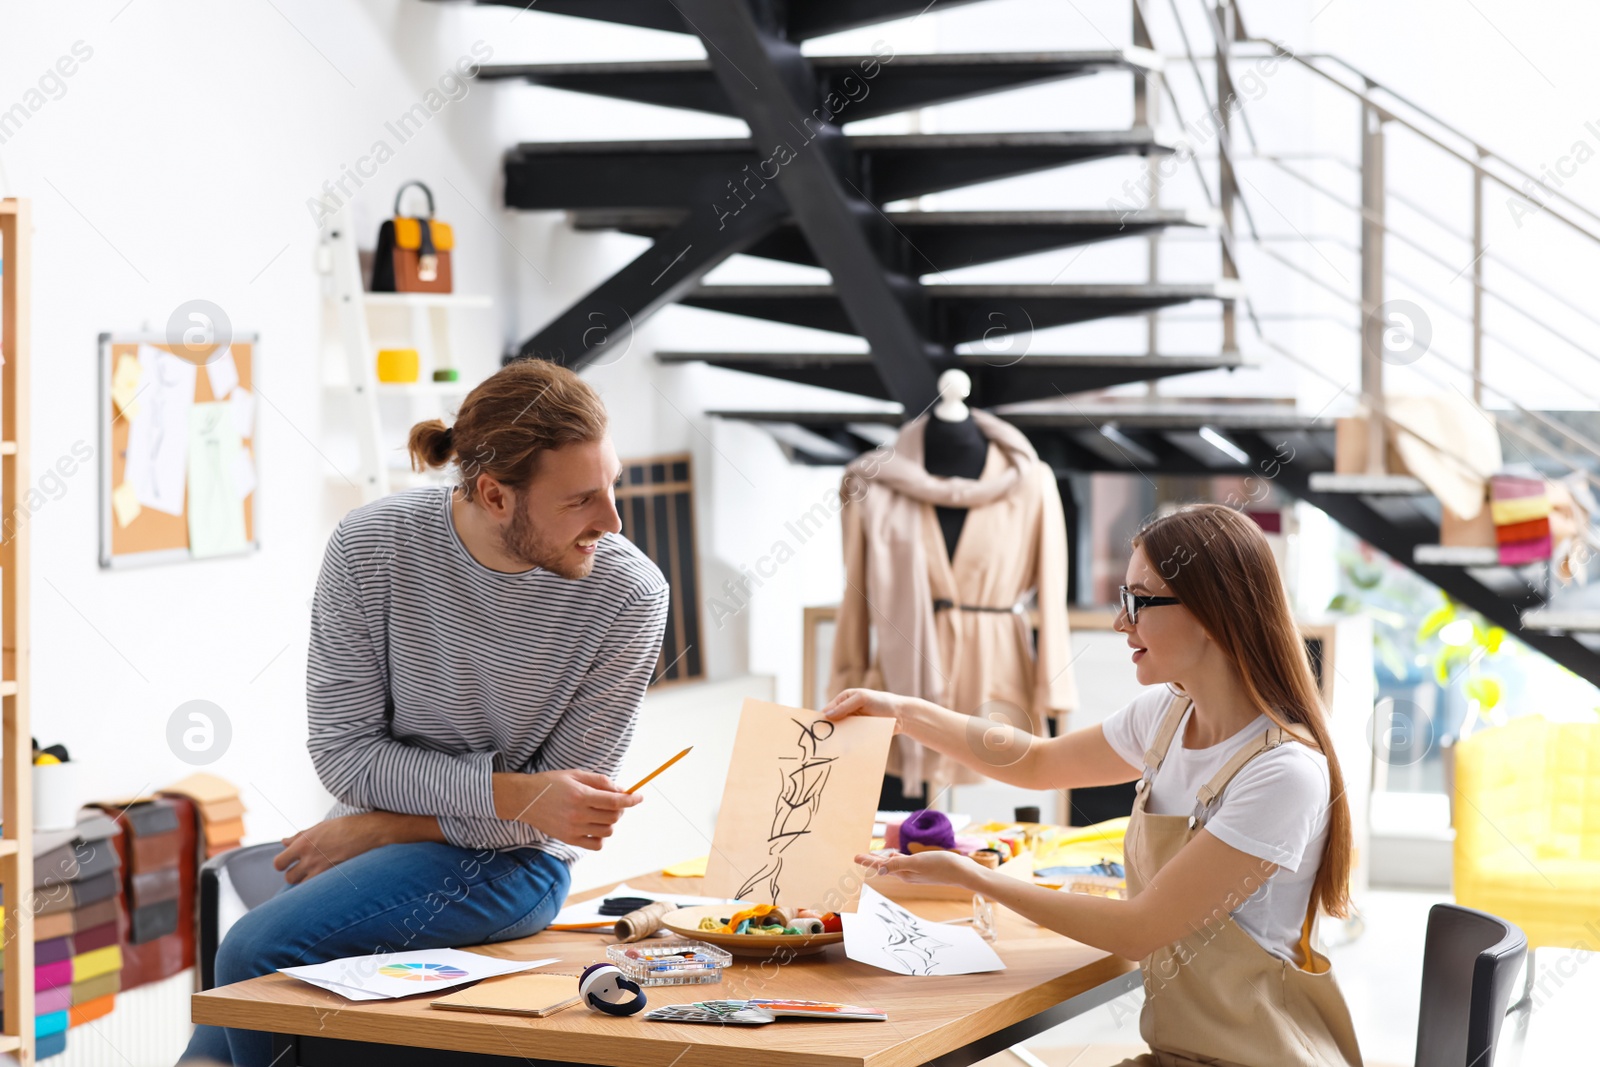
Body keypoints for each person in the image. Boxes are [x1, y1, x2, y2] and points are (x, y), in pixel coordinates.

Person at [181, 361, 668, 1066]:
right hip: (395, 848)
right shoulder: (371, 546)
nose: (613, 521)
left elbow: (565, 820)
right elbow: (347, 755)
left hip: (514, 866)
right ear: (495, 494)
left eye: (613, 484)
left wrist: (384, 823)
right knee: (218, 1040)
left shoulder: (629, 594)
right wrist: (518, 793)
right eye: (582, 499)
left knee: (255, 947)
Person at [831, 504, 1362, 1067]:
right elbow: (1035, 764)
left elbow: (1139, 931)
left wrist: (974, 878)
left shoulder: (1282, 773)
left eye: (1139, 601)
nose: (1120, 623)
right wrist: (903, 713)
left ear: (1212, 612)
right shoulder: (1166, 715)